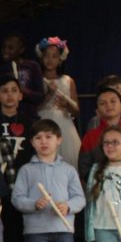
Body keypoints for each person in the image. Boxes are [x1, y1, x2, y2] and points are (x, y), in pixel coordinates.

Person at [79, 87, 121, 180]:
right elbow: (84, 169)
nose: (108, 105)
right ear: (97, 111)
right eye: (102, 103)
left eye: (113, 101)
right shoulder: (90, 137)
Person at [35, 37, 80, 167]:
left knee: (69, 161)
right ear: (41, 58)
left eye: (54, 56)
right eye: (46, 56)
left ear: (60, 59)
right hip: (43, 122)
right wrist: (48, 94)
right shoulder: (37, 81)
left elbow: (77, 111)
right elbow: (33, 109)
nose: (50, 60)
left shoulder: (67, 80)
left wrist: (67, 105)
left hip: (64, 125)